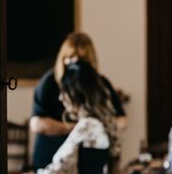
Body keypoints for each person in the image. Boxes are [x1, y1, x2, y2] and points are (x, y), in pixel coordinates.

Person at [30, 32, 127, 169]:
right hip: (49, 155)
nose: (74, 62)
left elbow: (121, 119)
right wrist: (78, 128)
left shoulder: (100, 84)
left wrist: (96, 126)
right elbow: (36, 124)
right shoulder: (48, 83)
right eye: (70, 57)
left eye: (81, 59)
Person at [37, 60, 121, 174]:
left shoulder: (89, 126)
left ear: (76, 94)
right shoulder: (96, 125)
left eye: (64, 91)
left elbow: (59, 171)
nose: (60, 98)